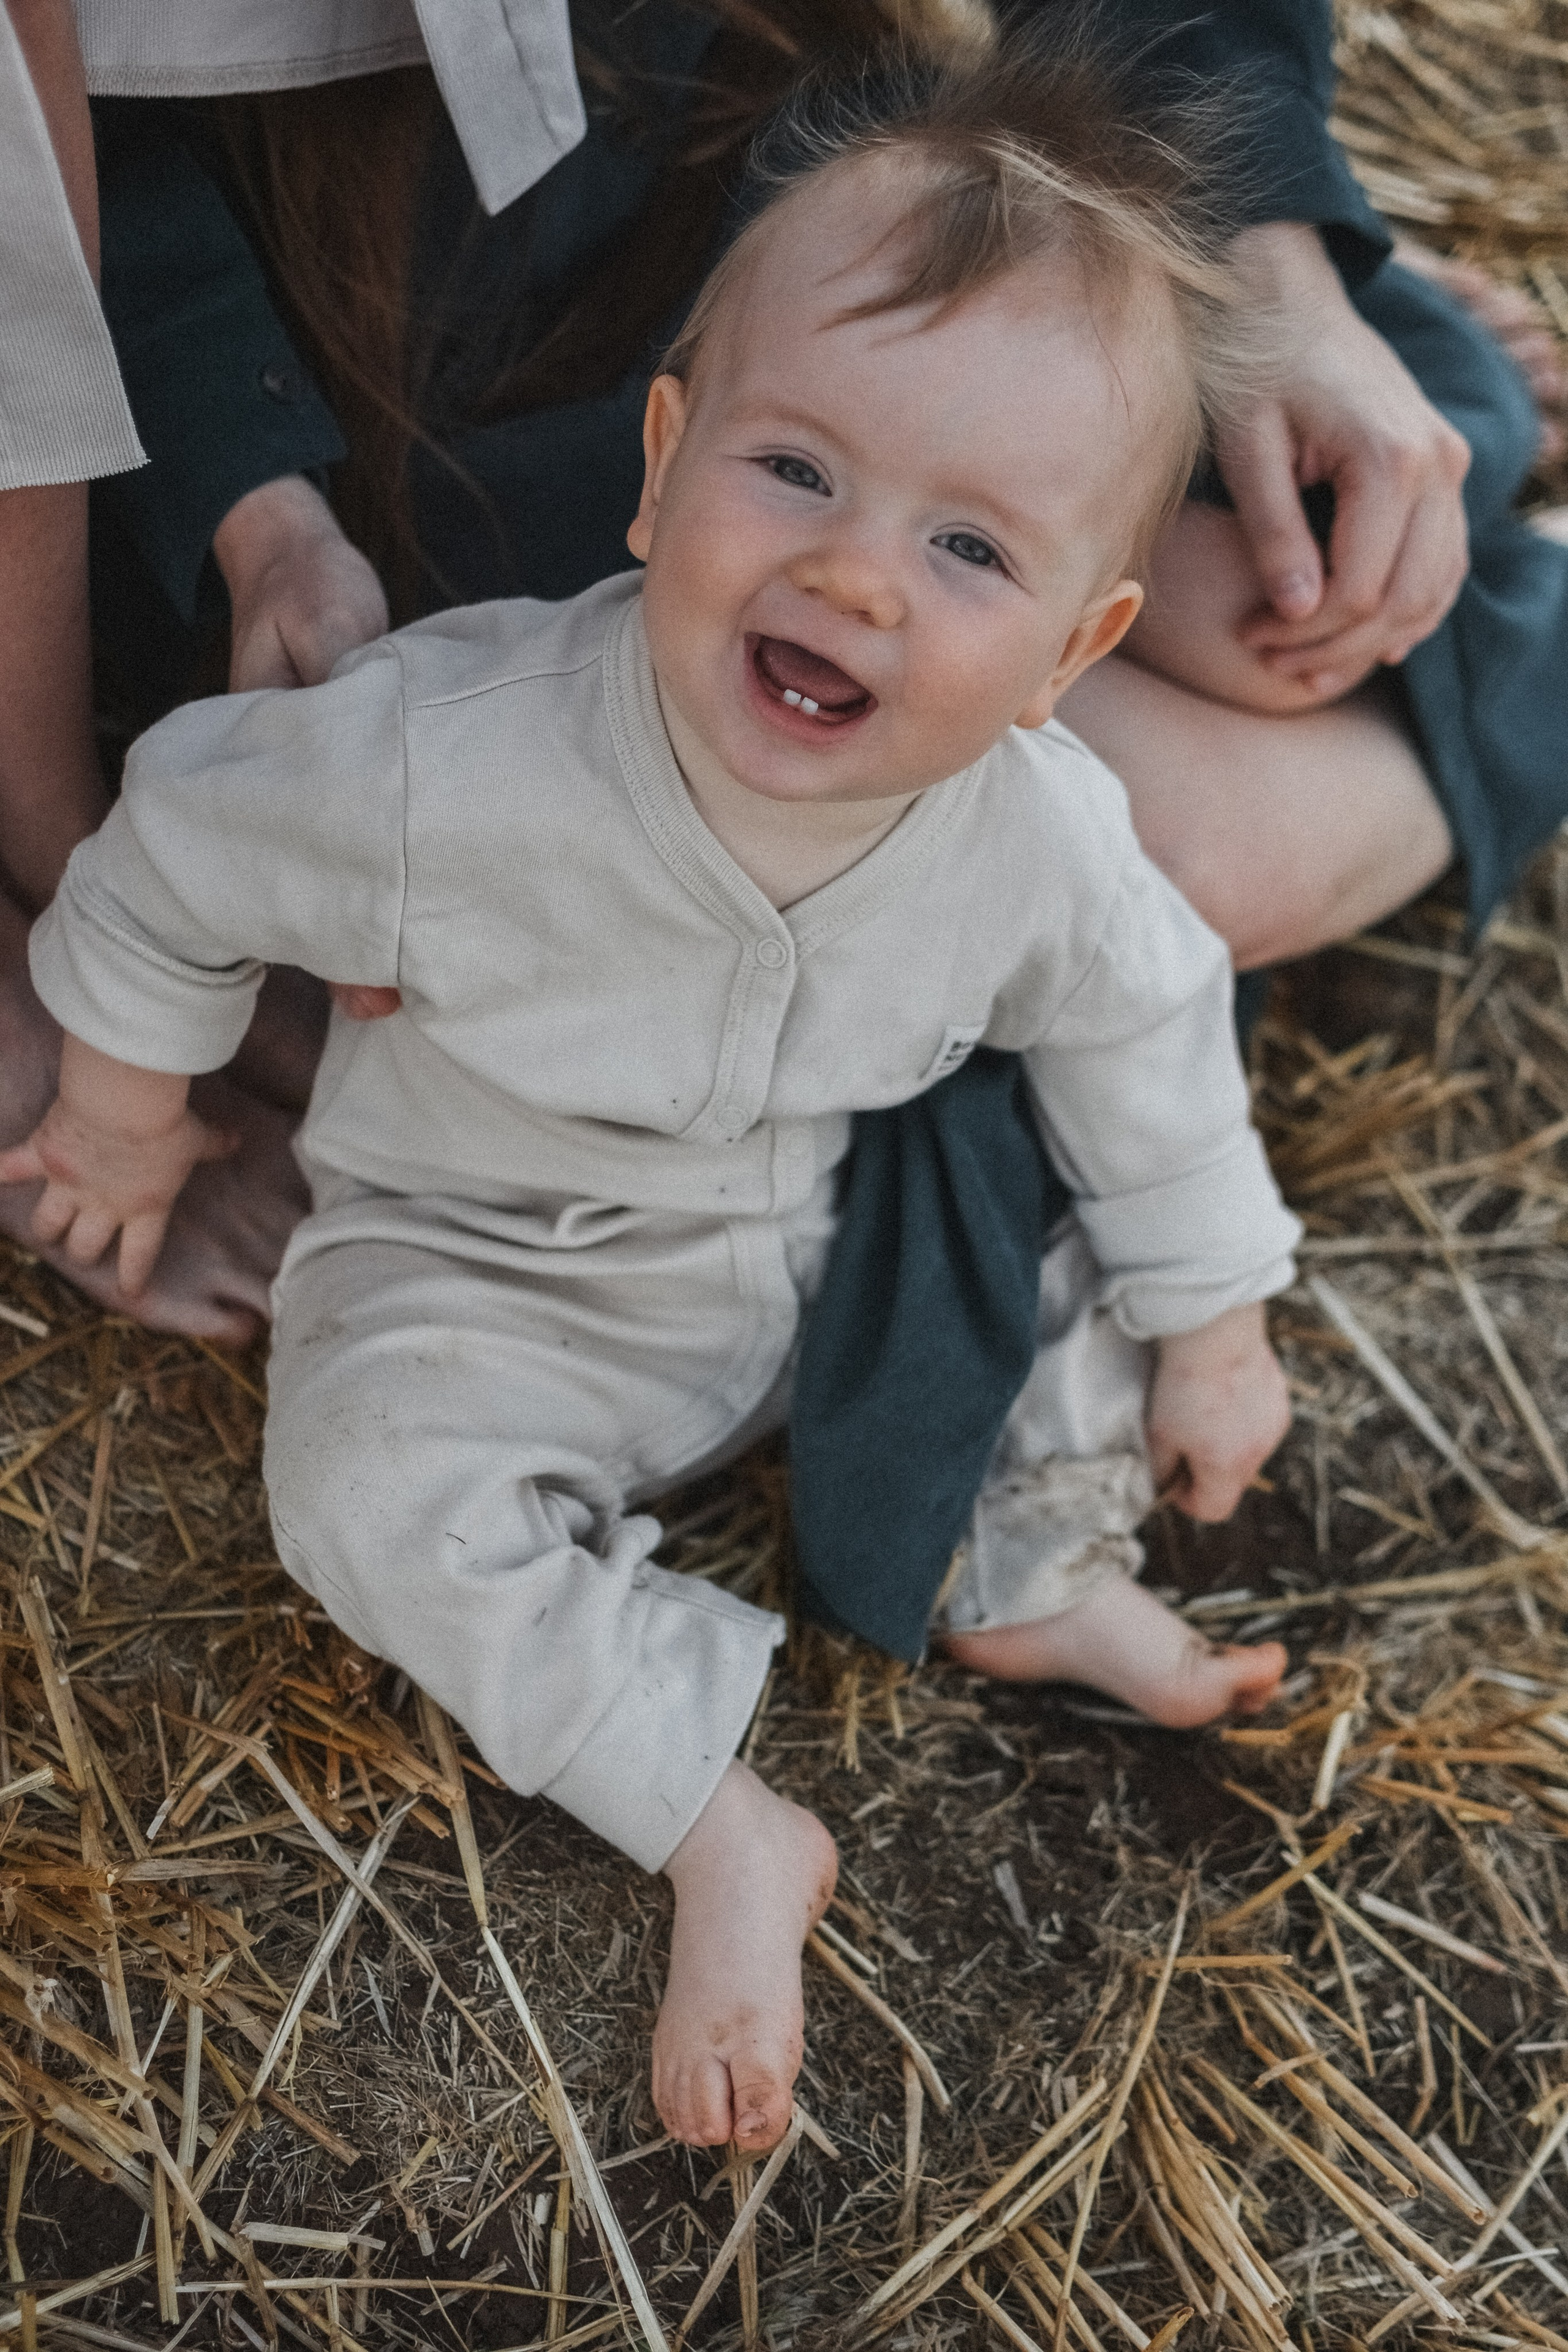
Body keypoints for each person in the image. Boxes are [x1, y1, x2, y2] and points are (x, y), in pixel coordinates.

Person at [4, 42, 1300, 2149]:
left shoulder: (1040, 830)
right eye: (797, 472)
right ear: (665, 457)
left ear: (1081, 646)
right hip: (483, 1260)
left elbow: (1151, 1027)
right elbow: (176, 852)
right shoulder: (452, 756)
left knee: (1039, 1212)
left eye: (971, 551)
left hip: (807, 1227)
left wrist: (1216, 1312)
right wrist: (130, 1109)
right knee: (359, 1484)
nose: (858, 576)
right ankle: (714, 1814)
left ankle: (1032, 1558)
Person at [2, 0, 1561, 1345]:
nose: (852, 581)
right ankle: (1518, 614)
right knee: (1187, 854)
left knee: (1292, 571)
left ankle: (1341, 408)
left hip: (699, 145)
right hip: (299, 298)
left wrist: (1264, 256)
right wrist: (253, 495)